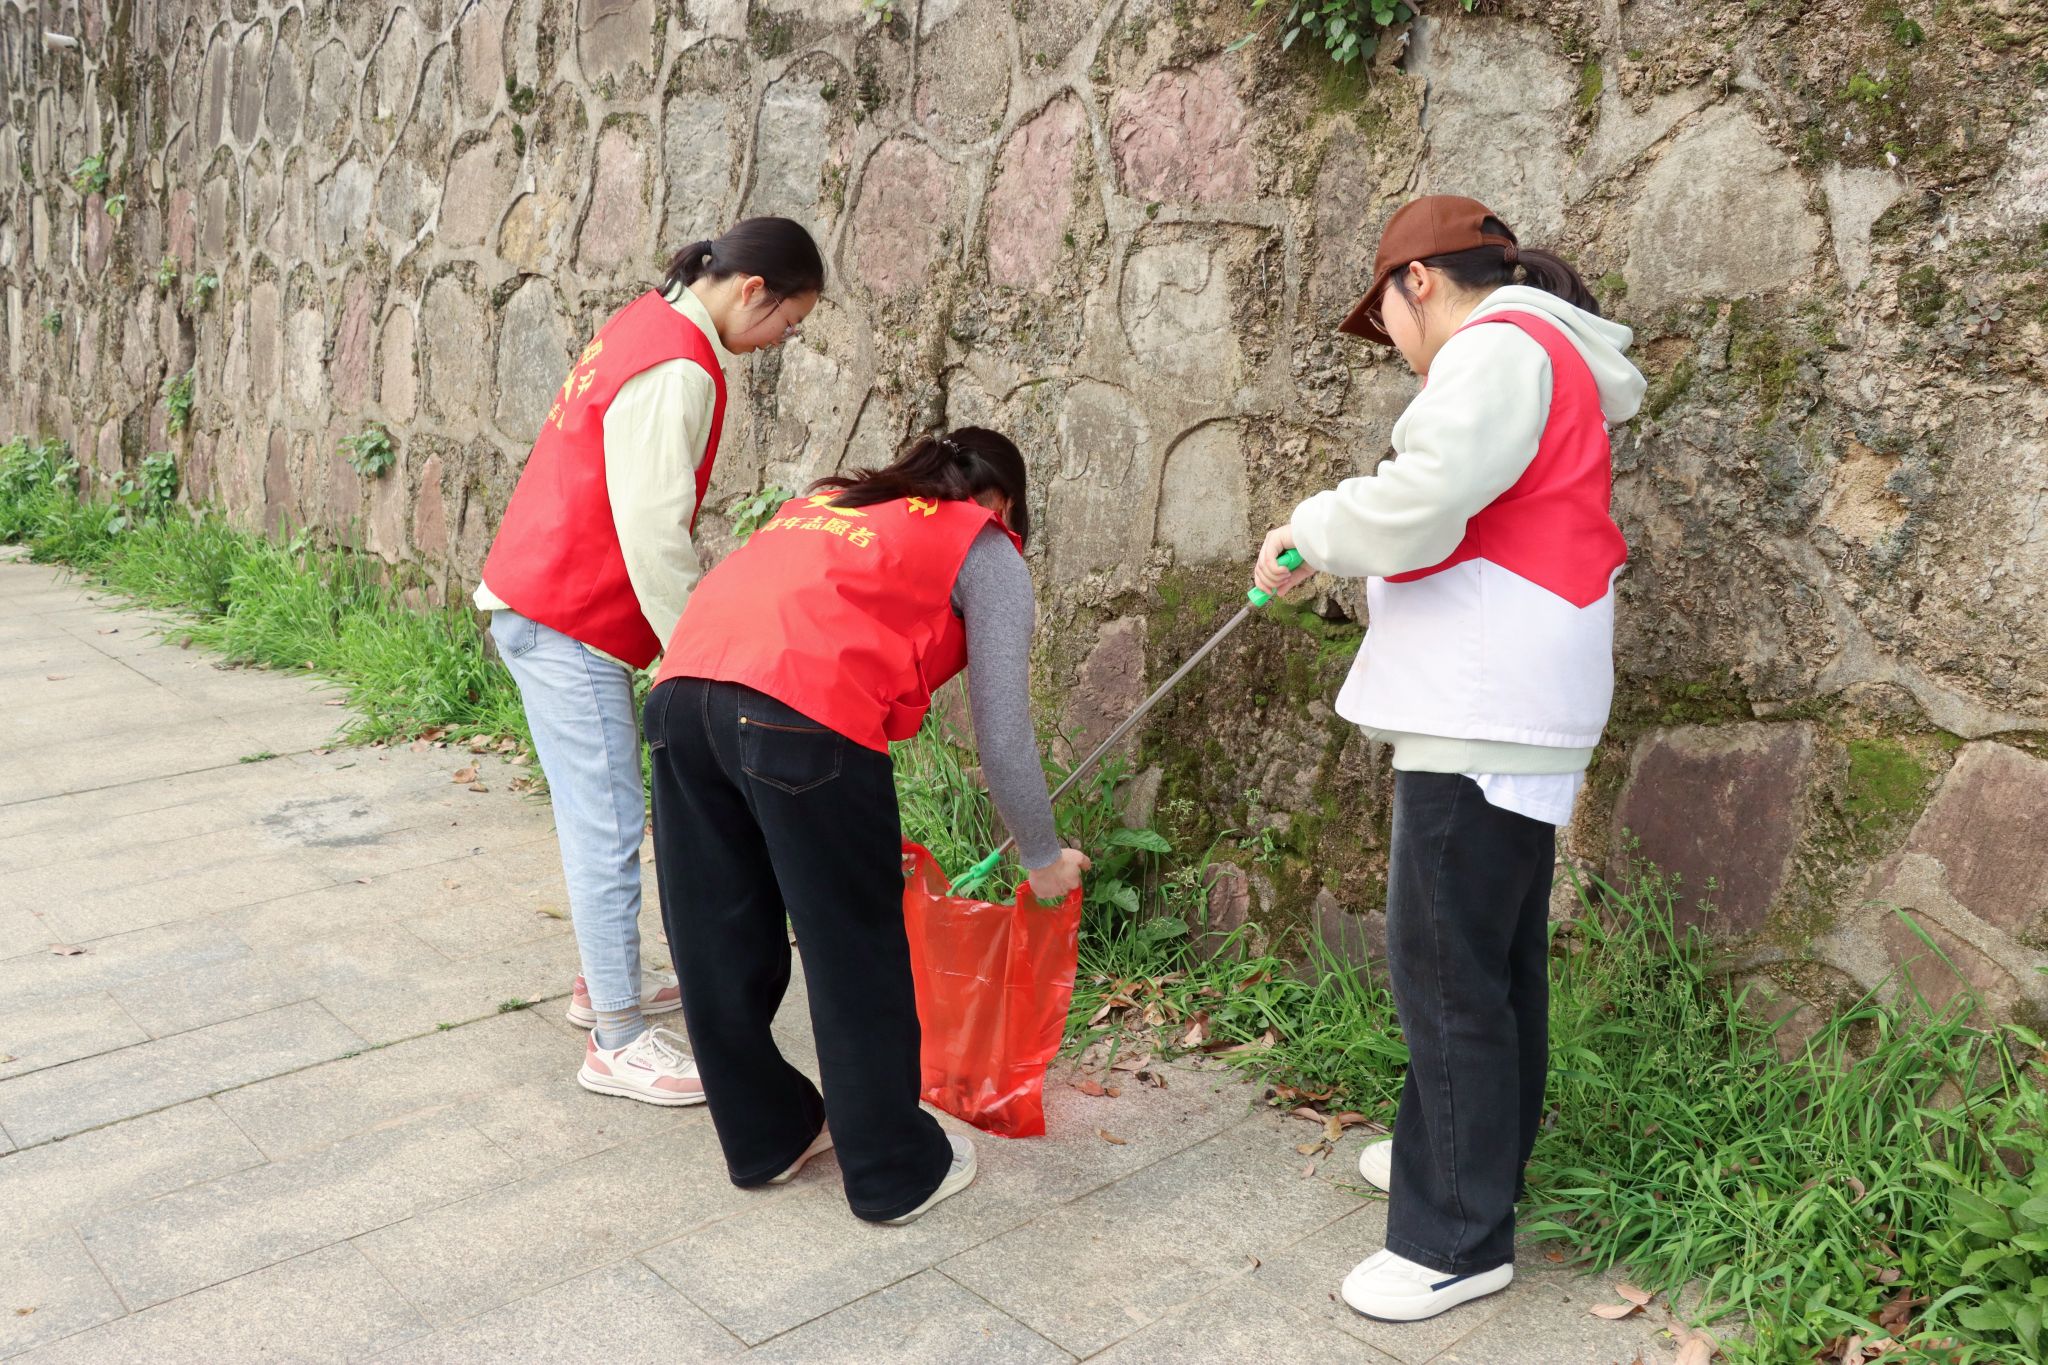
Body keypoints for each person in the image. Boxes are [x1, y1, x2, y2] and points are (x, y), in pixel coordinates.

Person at [1253, 195, 1646, 1323]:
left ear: (1415, 281)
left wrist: (1306, 531)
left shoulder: (1495, 346)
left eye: (1384, 313)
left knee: (1443, 969)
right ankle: (1468, 1157)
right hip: (1511, 694)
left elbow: (1422, 503)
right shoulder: (1539, 353)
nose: (1393, 341)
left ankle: (1454, 1239)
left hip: (1483, 698)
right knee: (1487, 960)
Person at [642, 429, 1091, 1223]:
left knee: (716, 934)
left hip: (680, 697)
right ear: (1002, 503)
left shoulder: (830, 503)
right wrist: (1041, 854)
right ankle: (892, 1170)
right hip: (802, 715)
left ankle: (767, 1135)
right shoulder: (986, 547)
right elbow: (1003, 734)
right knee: (853, 945)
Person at [475, 218, 824, 1105]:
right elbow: (652, 531)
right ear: (753, 289)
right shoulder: (678, 364)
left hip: (540, 596)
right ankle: (618, 1038)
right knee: (607, 822)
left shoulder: (648, 320)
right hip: (567, 615)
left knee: (599, 811)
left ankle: (608, 979)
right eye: (787, 322)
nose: (780, 341)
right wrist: (698, 649)